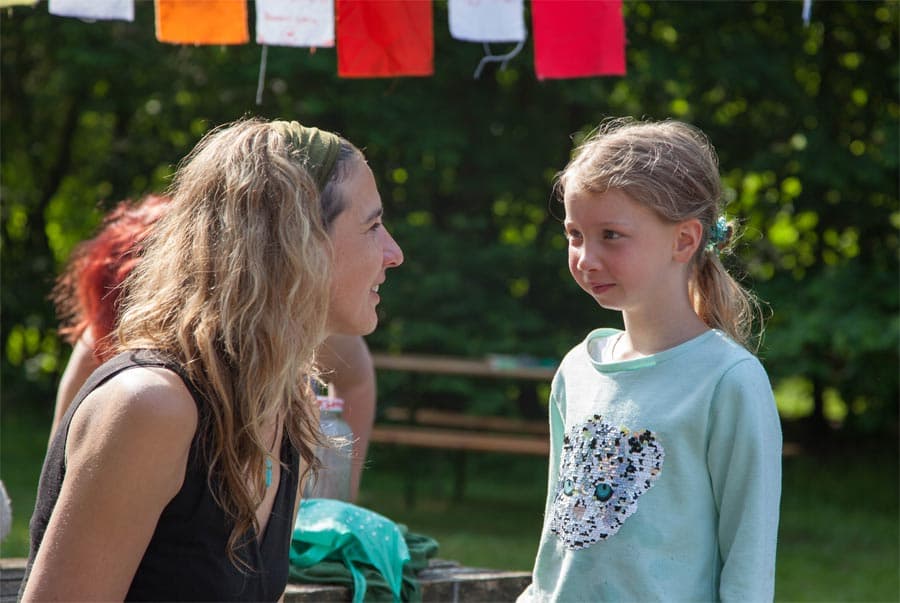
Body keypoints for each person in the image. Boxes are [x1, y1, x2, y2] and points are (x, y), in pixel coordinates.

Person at [20, 117, 403, 601]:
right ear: (296, 244)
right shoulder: (151, 407)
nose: (394, 253)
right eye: (372, 225)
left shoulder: (287, 405)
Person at [519, 118, 782, 601]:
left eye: (610, 235)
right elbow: (559, 535)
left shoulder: (728, 381)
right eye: (575, 234)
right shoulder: (577, 370)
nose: (586, 257)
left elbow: (750, 559)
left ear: (683, 240)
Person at [50, 195, 377, 501]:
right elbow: (60, 462)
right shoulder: (106, 332)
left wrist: (339, 494)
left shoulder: (285, 320)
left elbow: (356, 378)